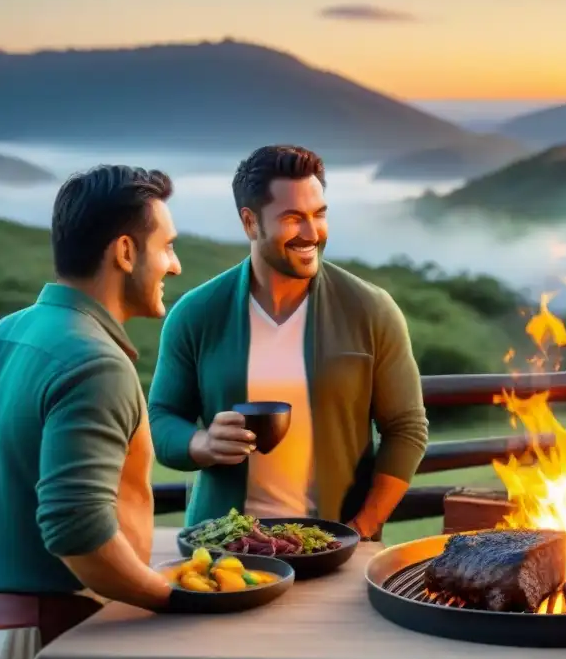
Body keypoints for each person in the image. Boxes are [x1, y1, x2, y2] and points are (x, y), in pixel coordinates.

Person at [148, 145, 429, 539]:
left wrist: (364, 527)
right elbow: (161, 418)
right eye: (294, 218)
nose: (312, 233)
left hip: (335, 542)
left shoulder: (371, 309)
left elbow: (407, 428)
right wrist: (201, 443)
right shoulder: (196, 314)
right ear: (250, 223)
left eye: (319, 214)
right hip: (225, 547)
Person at [0, 165, 181, 659]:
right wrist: (171, 597)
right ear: (125, 252)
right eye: (166, 246)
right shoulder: (94, 363)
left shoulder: (6, 333)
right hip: (49, 638)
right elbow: (77, 529)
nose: (175, 265)